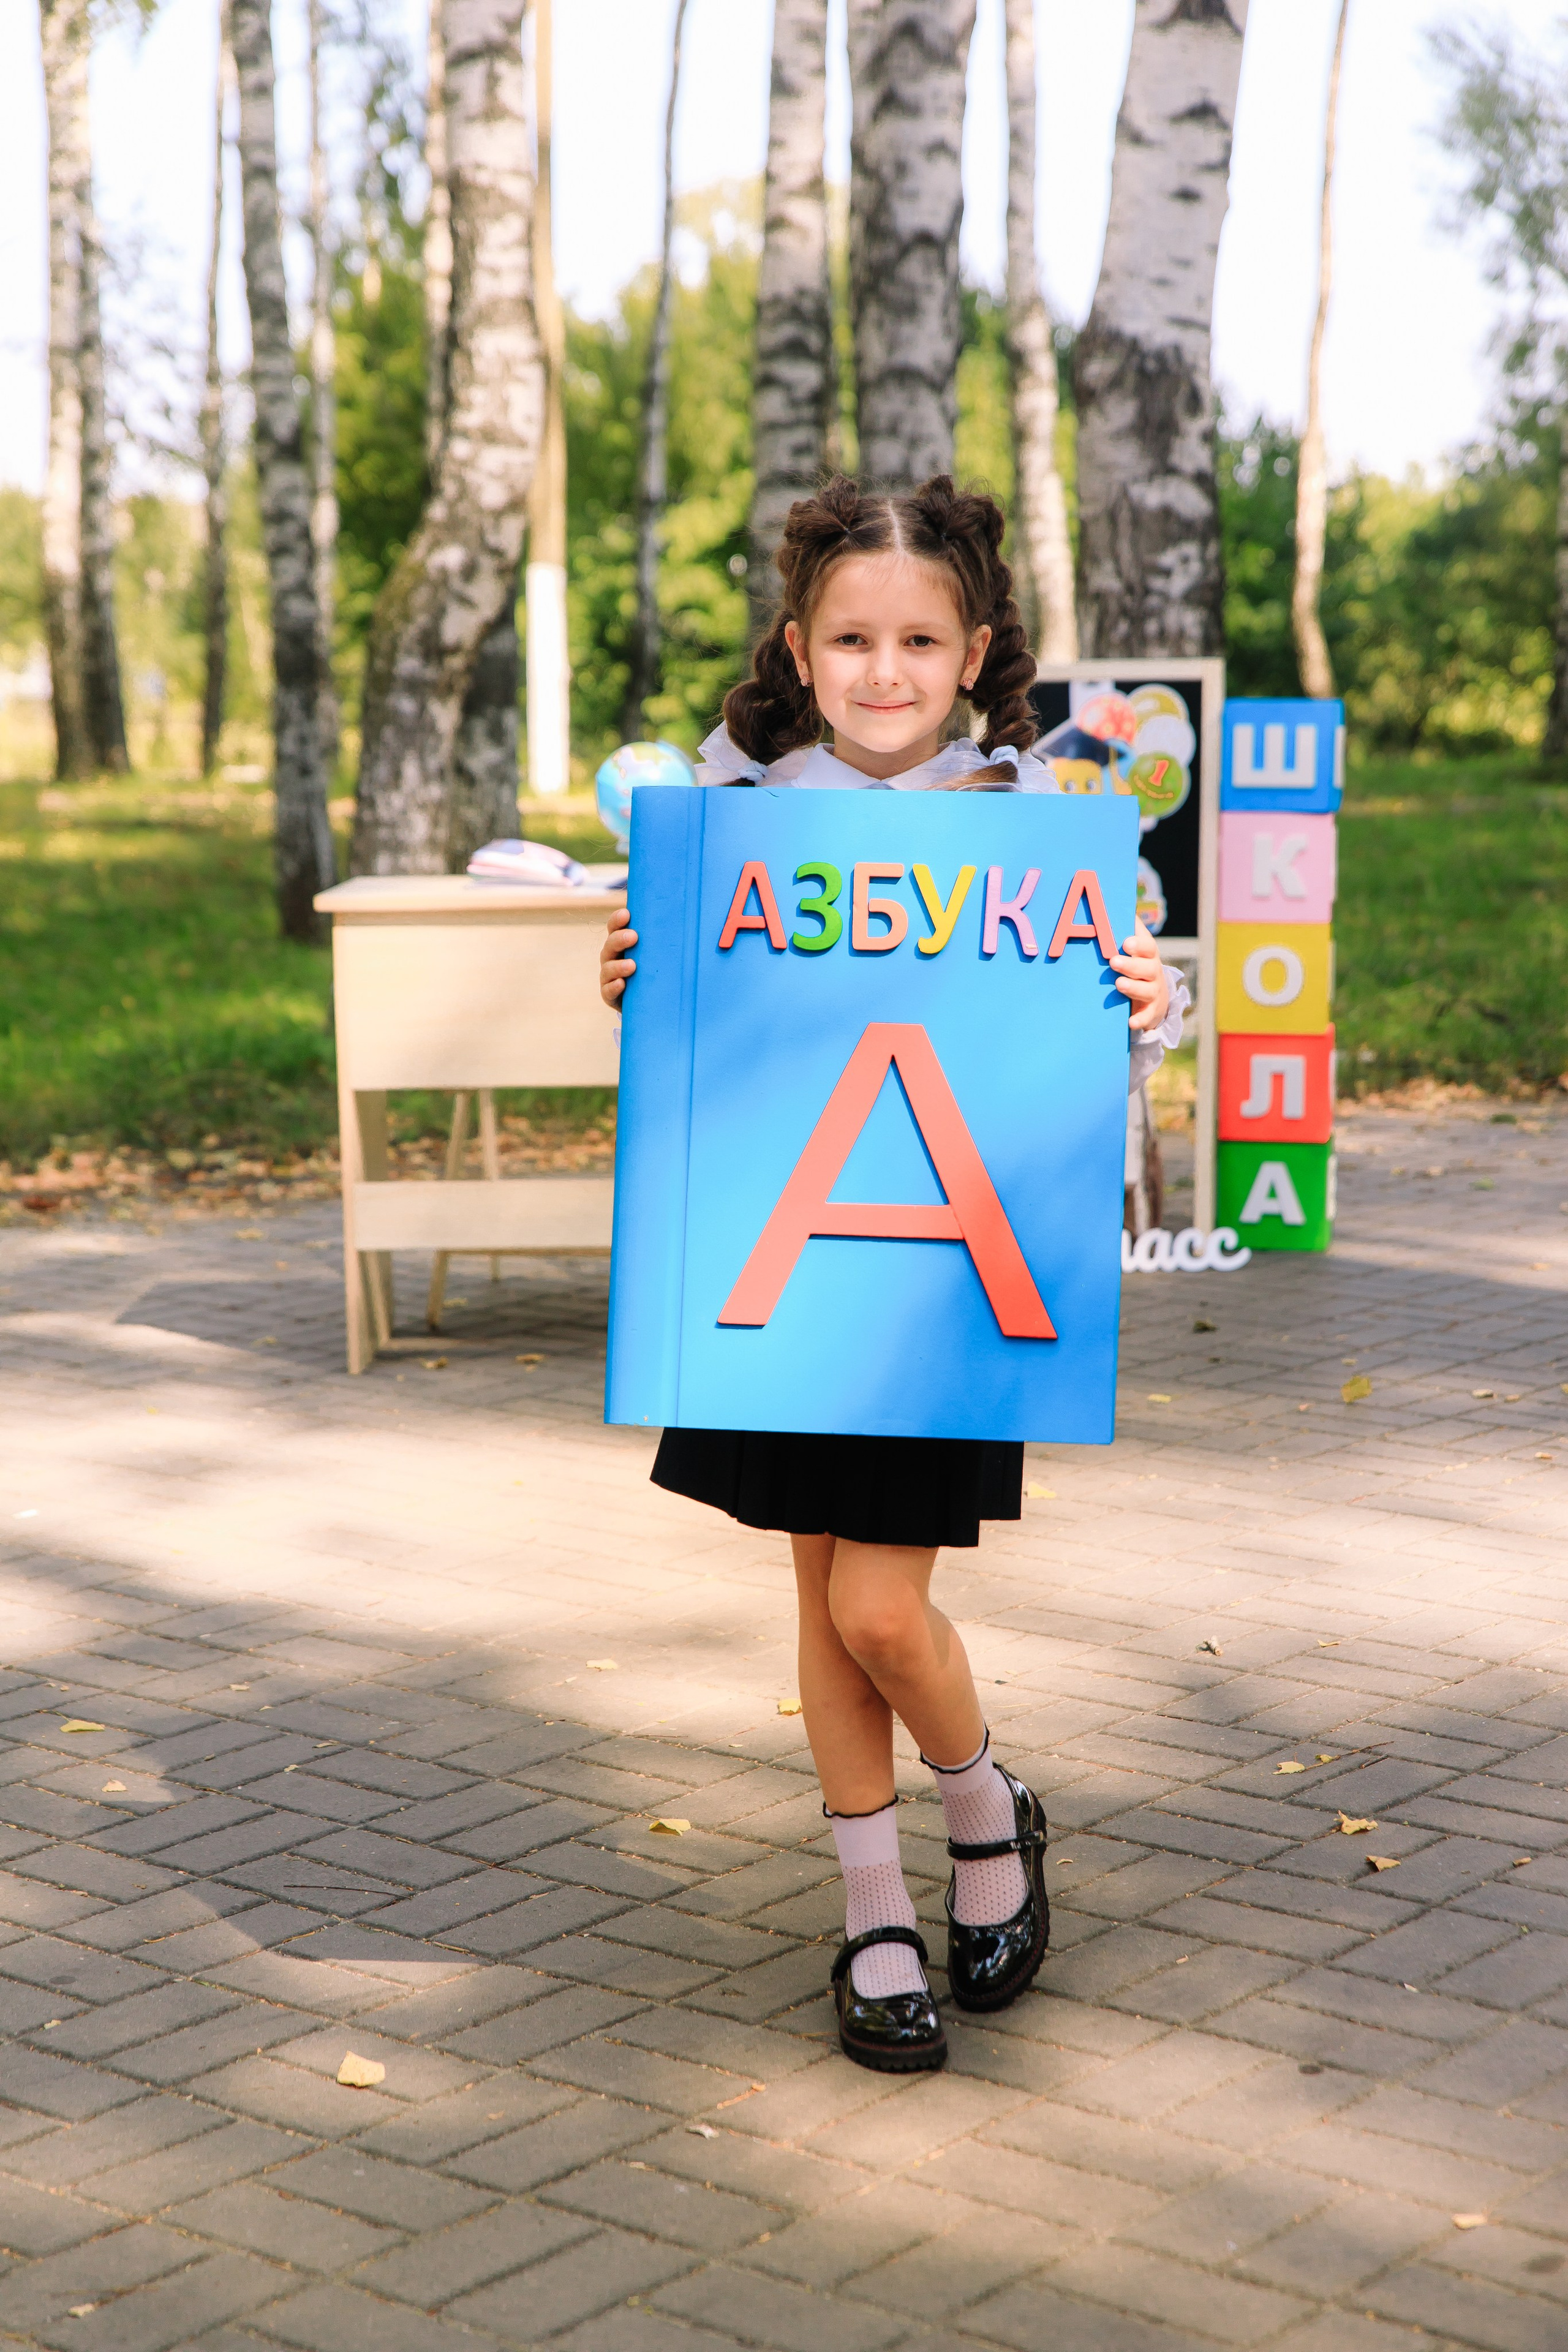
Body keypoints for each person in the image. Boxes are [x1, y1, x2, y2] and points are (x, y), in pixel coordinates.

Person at [600, 475, 1187, 2074]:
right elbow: (700, 1031)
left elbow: (1118, 1019)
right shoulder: (740, 817)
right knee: (818, 1592)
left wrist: (1145, 995)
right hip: (787, 1281)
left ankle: (987, 1805)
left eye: (917, 640)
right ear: (800, 647)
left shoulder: (1039, 819)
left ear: (974, 648)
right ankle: (874, 1914)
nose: (882, 669)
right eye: (851, 638)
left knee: (878, 1605)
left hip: (941, 1286)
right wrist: (634, 971)